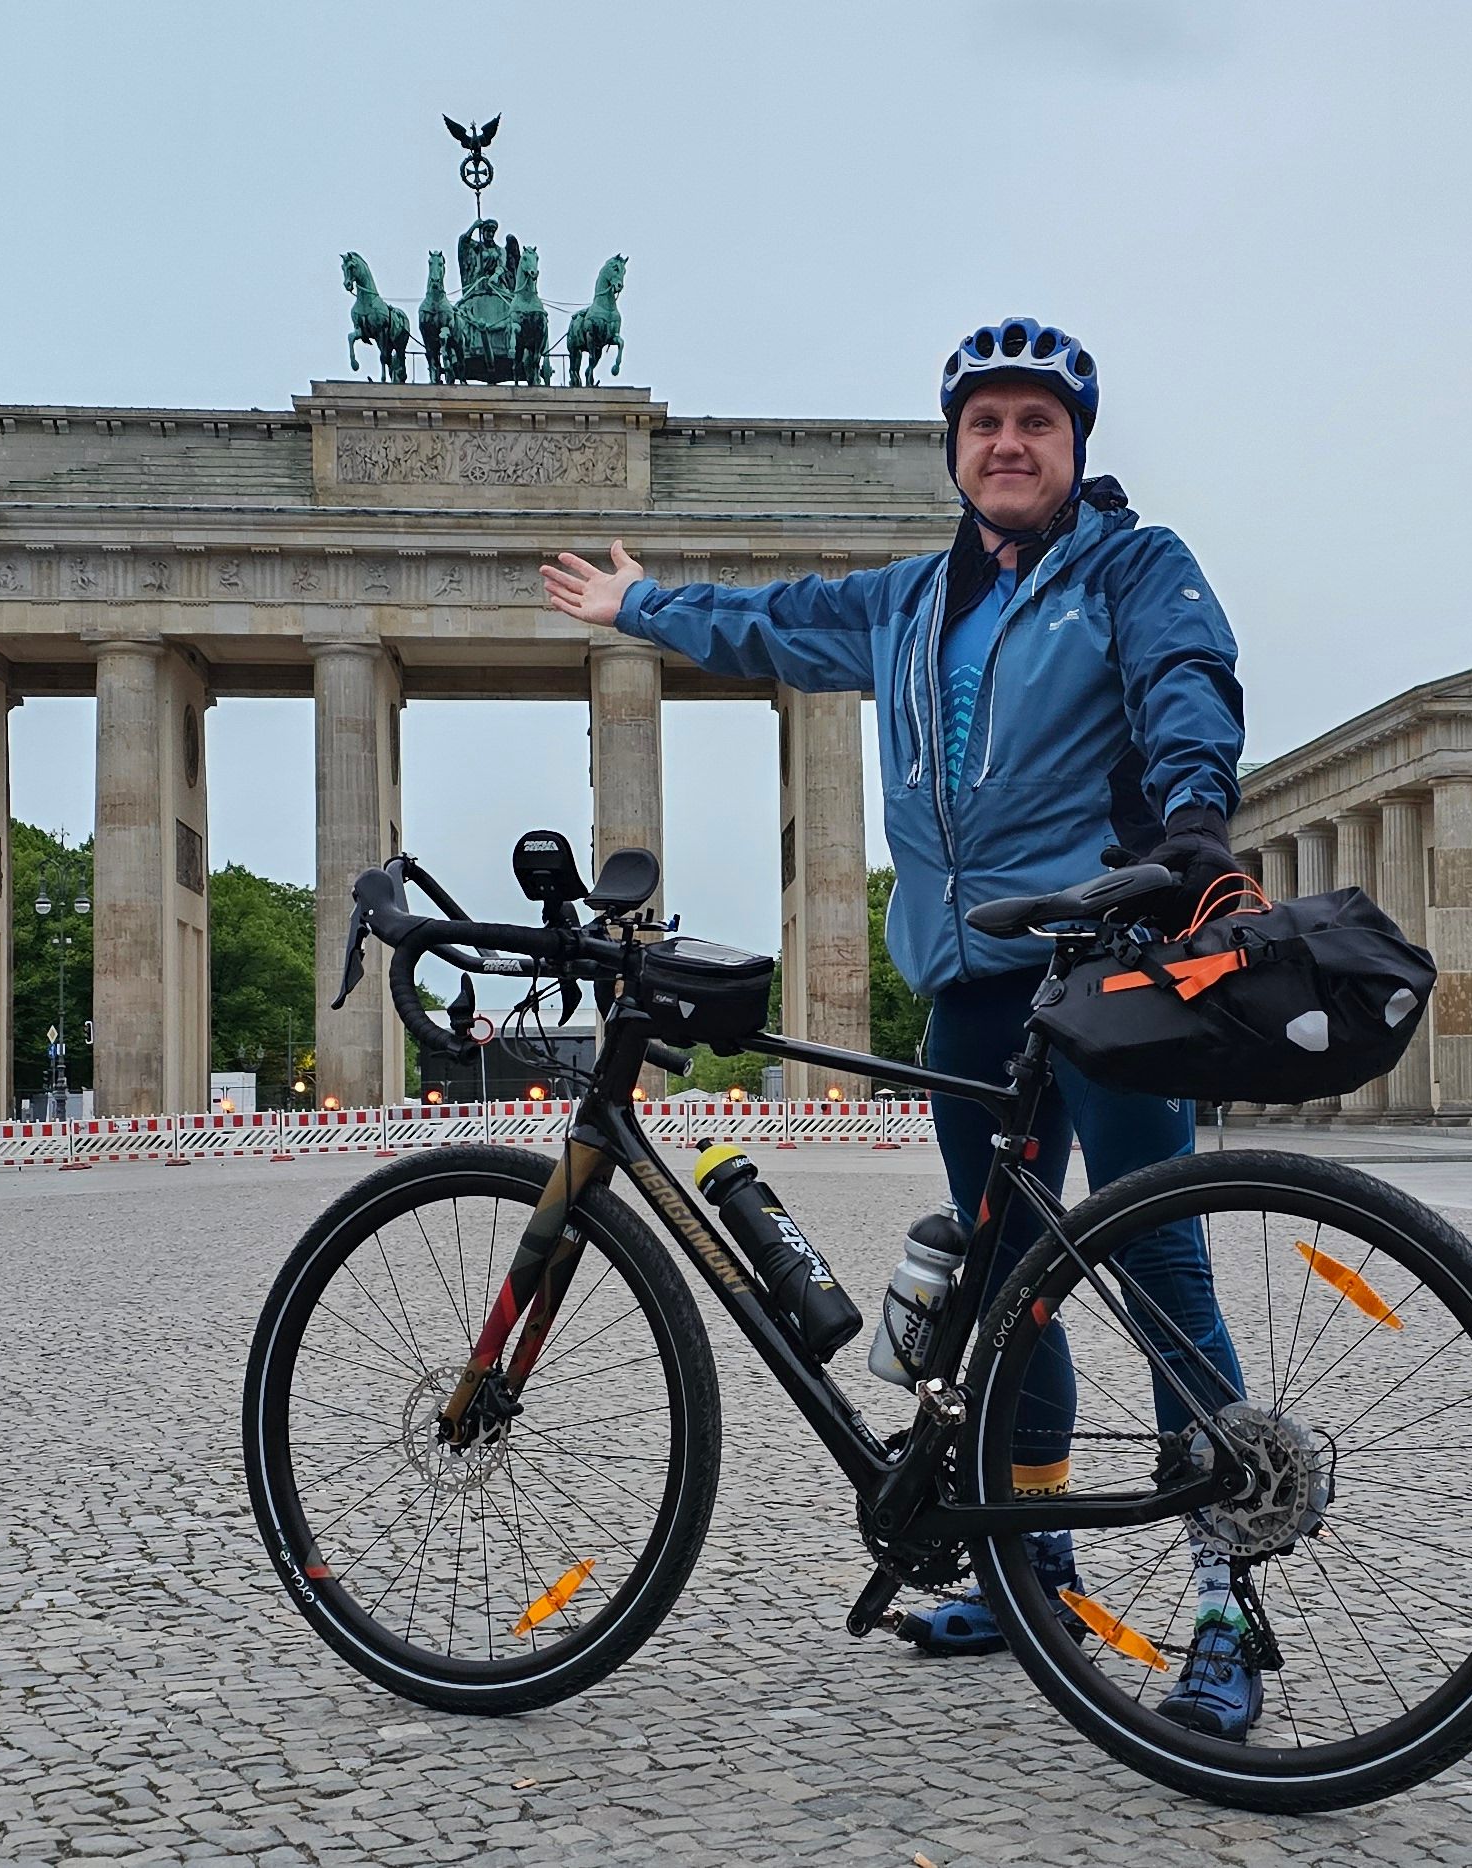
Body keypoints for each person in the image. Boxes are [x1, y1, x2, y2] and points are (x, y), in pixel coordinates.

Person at [540, 317, 1264, 1738]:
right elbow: (774, 622)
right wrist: (647, 610)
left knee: (1163, 1268)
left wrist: (1193, 823)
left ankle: (1228, 1604)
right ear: (955, 452)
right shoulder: (906, 603)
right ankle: (1032, 1568)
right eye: (985, 424)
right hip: (967, 984)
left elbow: (1188, 684)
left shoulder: (1132, 567)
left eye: (1035, 424)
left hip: (1110, 966)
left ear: (1074, 450)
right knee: (1007, 1289)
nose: (1009, 443)